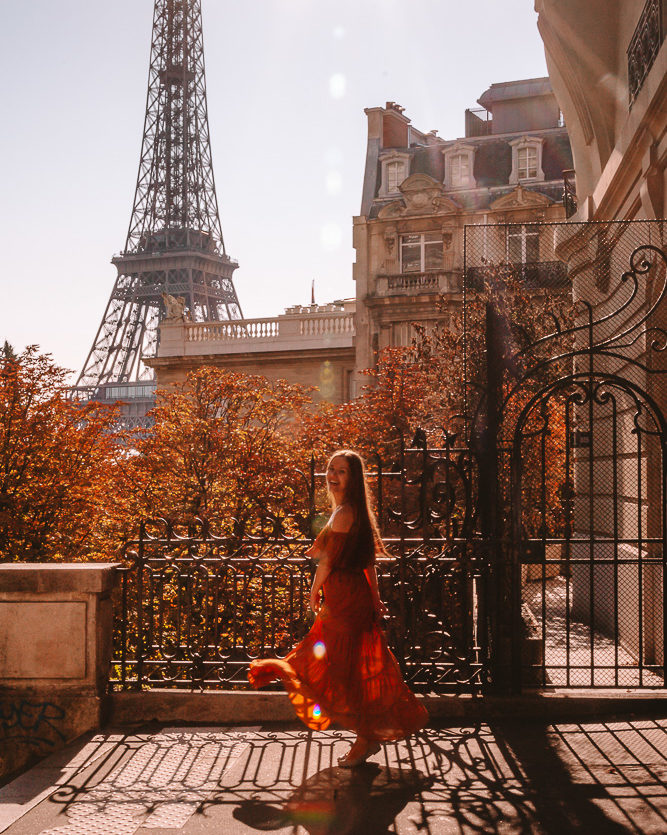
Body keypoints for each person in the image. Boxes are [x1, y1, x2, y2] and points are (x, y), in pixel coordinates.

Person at [248, 449, 429, 767]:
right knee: (351, 668)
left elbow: (329, 560)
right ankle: (366, 738)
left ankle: (363, 737)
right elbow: (367, 561)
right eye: (331, 469)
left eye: (341, 471)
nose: (333, 475)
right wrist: (373, 595)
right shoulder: (356, 510)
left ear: (353, 477)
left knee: (329, 663)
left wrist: (313, 592)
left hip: (344, 599)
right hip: (352, 597)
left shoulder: (345, 512)